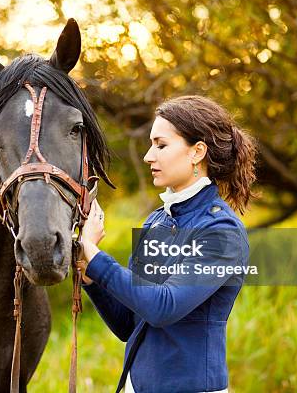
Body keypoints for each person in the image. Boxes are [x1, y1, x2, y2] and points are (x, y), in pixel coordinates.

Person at [77, 95, 257, 393]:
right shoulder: (155, 222)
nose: (149, 156)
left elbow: (163, 306)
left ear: (197, 152)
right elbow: (128, 324)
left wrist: (97, 257)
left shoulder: (220, 231)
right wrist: (89, 276)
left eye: (161, 145)